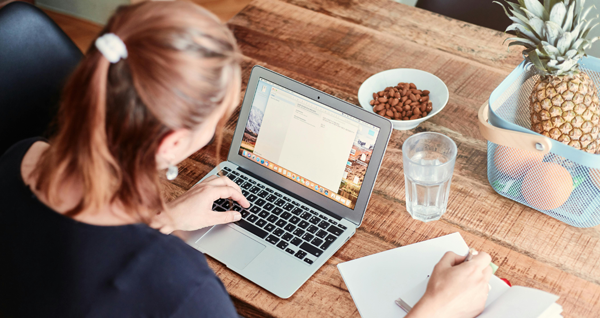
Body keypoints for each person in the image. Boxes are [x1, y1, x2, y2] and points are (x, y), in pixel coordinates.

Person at [0, 1, 492, 317]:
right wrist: (435, 310)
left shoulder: (20, 159)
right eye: (218, 121)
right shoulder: (184, 290)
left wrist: (162, 218)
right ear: (171, 145)